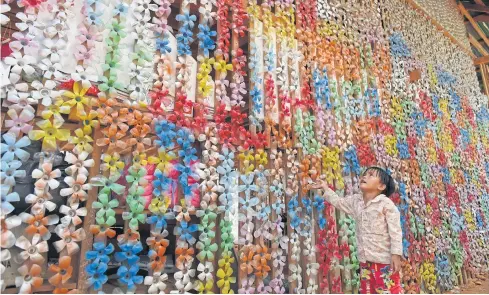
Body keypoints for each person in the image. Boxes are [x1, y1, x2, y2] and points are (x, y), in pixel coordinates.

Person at [306, 166, 403, 294]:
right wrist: (325, 188)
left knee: (388, 291)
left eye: (371, 175)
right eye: (364, 174)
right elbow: (339, 202)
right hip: (365, 261)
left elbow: (395, 231)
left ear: (381, 186)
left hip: (384, 262)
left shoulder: (386, 204)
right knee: (367, 291)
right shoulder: (356, 201)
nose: (364, 176)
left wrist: (396, 254)